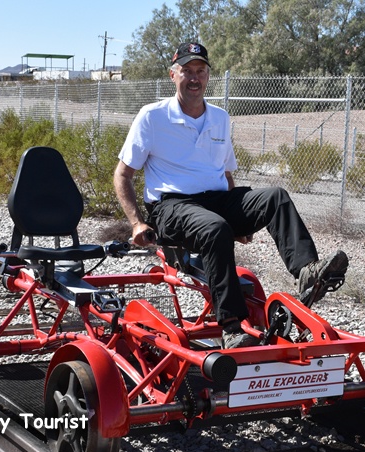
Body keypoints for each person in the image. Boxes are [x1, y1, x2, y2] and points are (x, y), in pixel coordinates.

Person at [113, 42, 348, 349]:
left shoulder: (220, 118)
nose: (194, 78)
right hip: (171, 207)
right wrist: (136, 224)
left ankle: (307, 271)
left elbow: (225, 173)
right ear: (174, 76)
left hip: (214, 201)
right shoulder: (152, 117)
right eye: (187, 71)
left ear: (208, 76)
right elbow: (123, 175)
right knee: (214, 228)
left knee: (275, 196)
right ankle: (231, 326)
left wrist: (241, 221)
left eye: (201, 71)